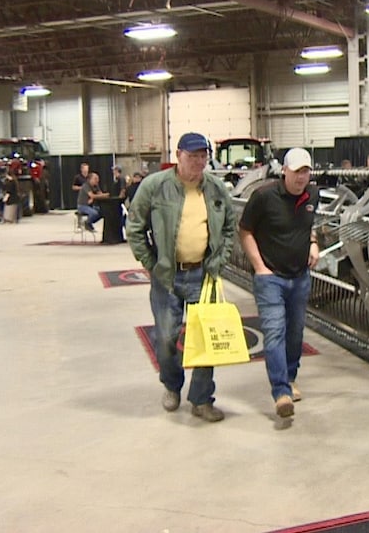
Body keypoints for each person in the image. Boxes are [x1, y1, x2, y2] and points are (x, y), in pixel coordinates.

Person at [126, 132, 237, 422]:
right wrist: (152, 263)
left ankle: (201, 399)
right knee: (165, 337)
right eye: (192, 156)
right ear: (178, 155)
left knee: (207, 339)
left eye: (203, 156)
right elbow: (134, 227)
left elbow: (229, 226)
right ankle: (172, 385)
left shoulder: (215, 188)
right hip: (167, 277)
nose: (198, 162)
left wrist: (219, 259)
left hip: (203, 274)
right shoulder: (155, 186)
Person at [239, 147, 319, 419]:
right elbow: (245, 230)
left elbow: (310, 224)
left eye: (306, 171)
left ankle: (290, 376)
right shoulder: (263, 197)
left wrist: (313, 243)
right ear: (284, 170)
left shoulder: (313, 195)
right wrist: (260, 267)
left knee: (295, 333)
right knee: (274, 333)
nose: (301, 177)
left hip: (300, 277)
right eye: (296, 171)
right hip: (271, 277)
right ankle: (280, 392)